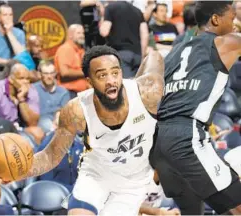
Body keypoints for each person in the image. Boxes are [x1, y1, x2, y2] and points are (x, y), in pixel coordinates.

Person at [16, 45, 166, 216]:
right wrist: (17, 171)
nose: (110, 80)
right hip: (96, 177)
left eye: (115, 72)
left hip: (132, 181)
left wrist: (152, 53)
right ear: (89, 81)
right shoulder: (77, 111)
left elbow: (156, 59)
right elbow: (50, 156)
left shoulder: (147, 93)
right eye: (102, 75)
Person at [149, 1, 241, 215]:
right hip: (187, 136)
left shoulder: (174, 51)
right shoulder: (225, 43)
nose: (235, 23)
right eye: (232, 17)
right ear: (216, 19)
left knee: (194, 211)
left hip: (160, 139)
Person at [100, 0, 149, 78]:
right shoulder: (137, 10)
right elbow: (145, 35)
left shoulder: (110, 8)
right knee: (137, 85)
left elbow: (104, 31)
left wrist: (103, 15)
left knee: (126, 86)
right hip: (137, 55)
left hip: (121, 54)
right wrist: (142, 56)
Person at [54, 24, 88, 99]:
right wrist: (86, 72)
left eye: (83, 33)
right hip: (69, 93)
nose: (82, 35)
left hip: (81, 93)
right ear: (70, 35)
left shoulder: (80, 50)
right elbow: (64, 72)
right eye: (78, 33)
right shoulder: (65, 49)